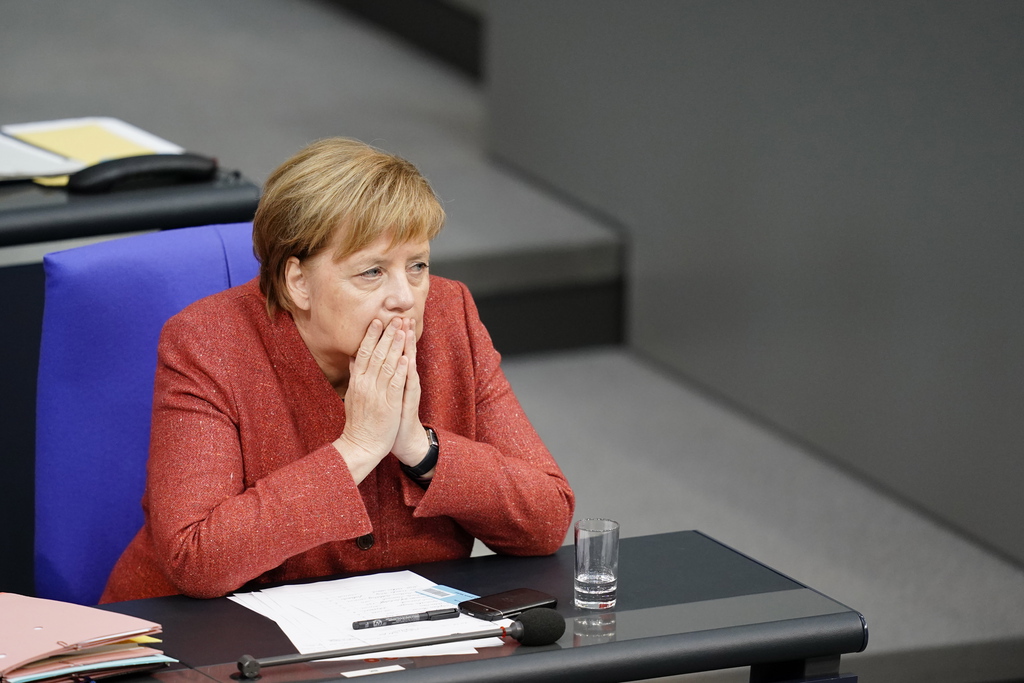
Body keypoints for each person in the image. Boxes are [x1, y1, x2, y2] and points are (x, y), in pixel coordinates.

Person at [100, 138, 575, 602]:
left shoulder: (451, 318)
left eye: (417, 266)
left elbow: (548, 520)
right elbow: (196, 559)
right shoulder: (208, 343)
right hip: (207, 646)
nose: (405, 297)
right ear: (298, 282)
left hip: (397, 639)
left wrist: (418, 447)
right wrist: (360, 448)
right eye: (372, 272)